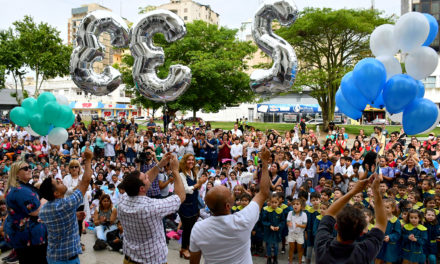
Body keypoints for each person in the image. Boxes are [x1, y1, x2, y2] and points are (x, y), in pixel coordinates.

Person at [189, 147, 271, 264]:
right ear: (228, 206)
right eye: (230, 194)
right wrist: (265, 163)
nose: (233, 195)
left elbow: (194, 261)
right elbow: (264, 192)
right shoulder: (243, 220)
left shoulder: (198, 228)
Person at [117, 153, 186, 264]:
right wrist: (176, 171)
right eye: (145, 177)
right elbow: (180, 197)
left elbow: (139, 181)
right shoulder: (152, 207)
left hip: (129, 259)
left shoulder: (122, 200)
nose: (148, 176)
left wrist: (160, 165)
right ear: (142, 188)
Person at [314, 172, 387, 263]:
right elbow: (381, 224)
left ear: (336, 226)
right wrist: (376, 191)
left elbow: (329, 214)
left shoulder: (322, 246)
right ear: (361, 233)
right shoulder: (364, 252)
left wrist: (353, 191)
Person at [38, 147, 93, 264]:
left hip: (52, 257)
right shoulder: (67, 204)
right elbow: (86, 181)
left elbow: (57, 217)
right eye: (57, 183)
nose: (60, 181)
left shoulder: (44, 210)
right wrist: (88, 159)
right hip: (69, 259)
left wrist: (72, 215)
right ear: (56, 193)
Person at [4, 161, 48, 264]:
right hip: (29, 238)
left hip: (28, 237)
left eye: (29, 167)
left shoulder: (23, 187)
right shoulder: (20, 190)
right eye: (25, 168)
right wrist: (46, 197)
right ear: (16, 173)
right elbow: (35, 211)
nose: (29, 169)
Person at [178, 153, 208, 259]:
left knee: (191, 228)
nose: (191, 161)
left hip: (194, 204)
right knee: (186, 228)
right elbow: (187, 190)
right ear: (184, 161)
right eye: (188, 160)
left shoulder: (193, 172)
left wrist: (199, 184)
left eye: (192, 160)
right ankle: (184, 249)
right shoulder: (181, 174)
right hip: (185, 205)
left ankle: (188, 246)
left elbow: (196, 188)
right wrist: (198, 184)